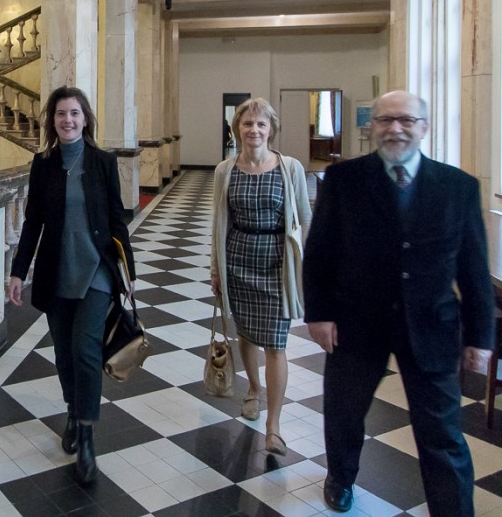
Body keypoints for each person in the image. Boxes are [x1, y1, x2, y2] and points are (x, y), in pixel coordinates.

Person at [302, 90, 494, 515]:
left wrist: (481, 336)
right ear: (373, 127)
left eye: (406, 120)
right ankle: (341, 477)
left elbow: (474, 268)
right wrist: (319, 314)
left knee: (442, 433)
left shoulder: (458, 187)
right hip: (356, 323)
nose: (395, 128)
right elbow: (319, 252)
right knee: (345, 414)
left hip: (431, 326)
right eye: (386, 120)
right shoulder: (344, 180)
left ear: (423, 127)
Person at [7, 86, 136, 485]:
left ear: (85, 119)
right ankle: (72, 409)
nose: (68, 120)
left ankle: (87, 434)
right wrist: (18, 271)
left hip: (96, 268)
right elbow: (33, 222)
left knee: (85, 350)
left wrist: (128, 272)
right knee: (63, 353)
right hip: (56, 269)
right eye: (61, 114)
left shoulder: (102, 162)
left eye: (75, 113)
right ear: (53, 121)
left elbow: (116, 218)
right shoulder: (43, 164)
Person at [210, 98, 311, 457]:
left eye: (261, 124)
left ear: (271, 130)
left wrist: (306, 268)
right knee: (246, 334)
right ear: (237, 129)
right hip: (238, 260)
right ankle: (253, 388)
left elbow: (304, 218)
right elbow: (219, 222)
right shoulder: (225, 170)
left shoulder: (290, 167)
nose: (254, 130)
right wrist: (215, 268)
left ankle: (274, 426)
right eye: (247, 123)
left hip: (276, 264)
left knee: (276, 343)